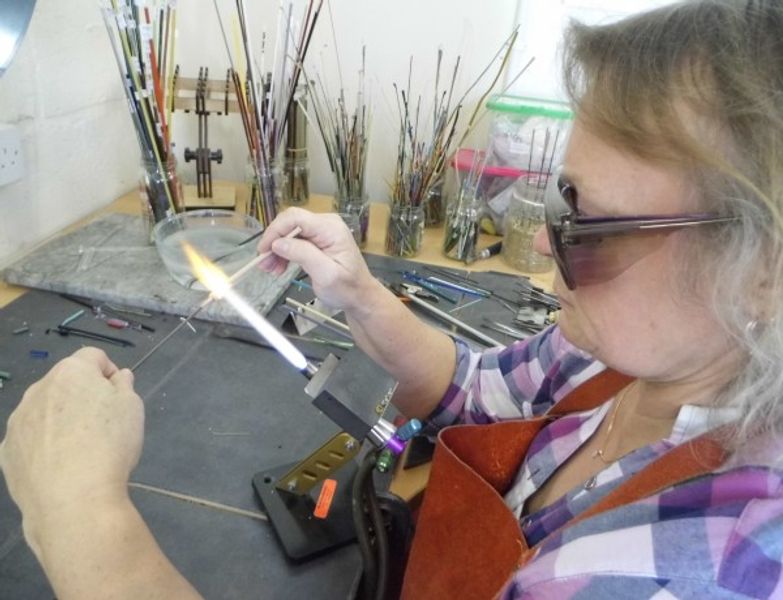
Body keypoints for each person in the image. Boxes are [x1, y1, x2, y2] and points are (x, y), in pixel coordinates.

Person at [3, 0, 783, 597]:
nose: (545, 243)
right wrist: (356, 291)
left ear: (766, 269)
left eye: (593, 224)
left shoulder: (694, 567)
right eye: (560, 199)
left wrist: (76, 513)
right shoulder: (636, 350)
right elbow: (473, 394)